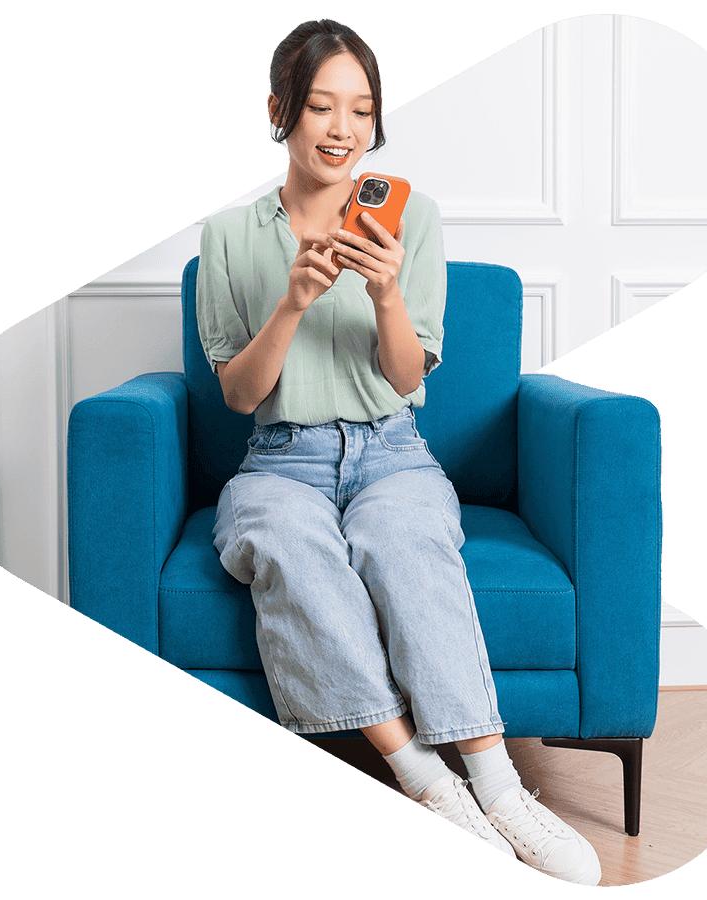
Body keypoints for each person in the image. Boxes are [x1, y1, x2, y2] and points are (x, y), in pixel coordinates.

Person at [197, 18, 601, 886]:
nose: (342, 129)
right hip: (280, 460)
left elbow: (409, 372)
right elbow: (238, 393)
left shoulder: (413, 219)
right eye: (320, 106)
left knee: (405, 540)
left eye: (362, 111)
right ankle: (427, 782)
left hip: (392, 450)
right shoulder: (229, 239)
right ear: (280, 111)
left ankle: (499, 786)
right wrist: (296, 300)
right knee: (285, 542)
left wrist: (383, 294)